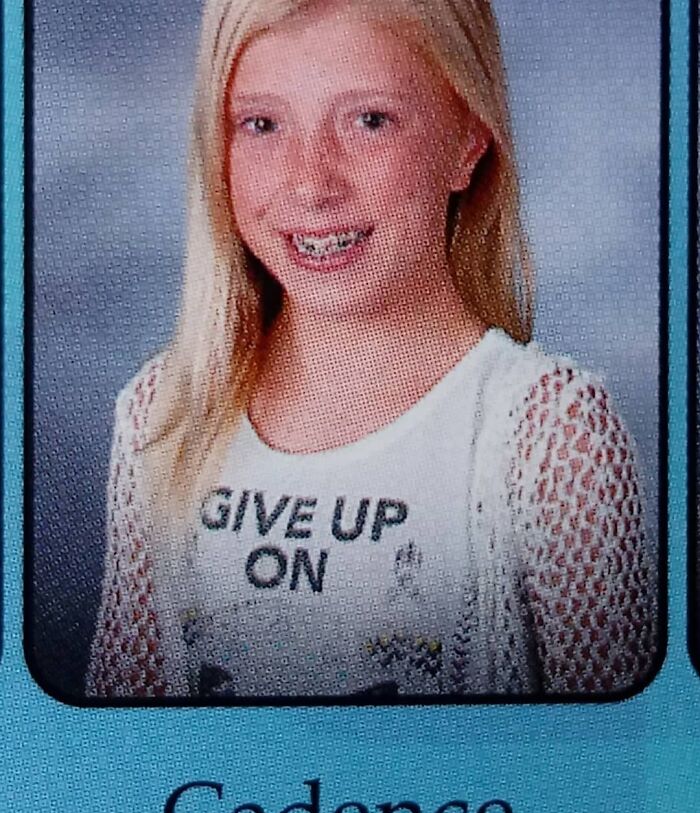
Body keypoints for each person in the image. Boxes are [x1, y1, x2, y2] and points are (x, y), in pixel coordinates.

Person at [86, 0, 657, 700]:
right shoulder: (162, 415)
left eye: (369, 121)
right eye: (262, 124)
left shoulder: (549, 436)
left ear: (469, 139)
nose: (311, 184)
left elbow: (613, 777)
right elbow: (112, 760)